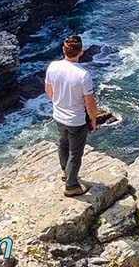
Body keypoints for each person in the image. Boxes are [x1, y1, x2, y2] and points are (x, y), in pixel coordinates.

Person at [45, 34, 97, 197]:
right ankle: (71, 186)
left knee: (63, 143)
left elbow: (48, 90)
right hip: (76, 120)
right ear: (80, 52)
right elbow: (89, 102)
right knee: (76, 152)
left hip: (58, 115)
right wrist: (93, 120)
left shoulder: (53, 66)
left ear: (63, 50)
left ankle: (65, 172)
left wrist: (60, 103)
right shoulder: (83, 75)